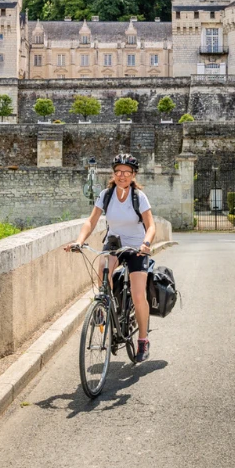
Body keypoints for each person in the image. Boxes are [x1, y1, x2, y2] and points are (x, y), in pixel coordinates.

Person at [65, 153, 157, 362]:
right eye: (118, 171)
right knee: (102, 268)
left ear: (133, 175)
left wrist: (146, 243)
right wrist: (79, 241)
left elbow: (150, 225)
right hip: (114, 243)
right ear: (113, 173)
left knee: (137, 294)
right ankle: (105, 306)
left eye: (126, 172)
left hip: (136, 246)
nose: (122, 175)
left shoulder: (138, 197)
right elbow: (91, 221)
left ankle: (143, 339)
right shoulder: (106, 195)